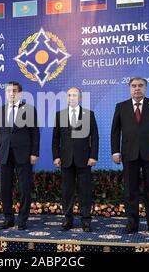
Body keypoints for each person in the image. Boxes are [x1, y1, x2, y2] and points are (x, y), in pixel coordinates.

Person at [111, 77, 149, 235]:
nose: (137, 88)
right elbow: (115, 131)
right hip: (129, 154)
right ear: (130, 88)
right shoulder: (121, 106)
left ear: (146, 88)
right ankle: (132, 225)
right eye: (134, 86)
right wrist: (115, 151)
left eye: (140, 86)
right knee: (130, 191)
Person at [0, 81, 39, 230]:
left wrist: (34, 153)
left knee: (24, 187)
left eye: (14, 91)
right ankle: (8, 218)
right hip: (4, 153)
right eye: (8, 91)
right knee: (4, 187)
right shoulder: (0, 110)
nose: (11, 93)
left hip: (24, 154)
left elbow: (35, 134)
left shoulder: (29, 109)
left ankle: (22, 219)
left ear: (20, 93)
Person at [52, 87, 99, 232]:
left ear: (80, 98)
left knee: (85, 191)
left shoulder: (88, 114)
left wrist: (93, 156)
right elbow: (56, 138)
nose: (71, 97)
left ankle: (86, 221)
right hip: (66, 160)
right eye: (69, 95)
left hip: (84, 160)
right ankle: (68, 220)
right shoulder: (60, 115)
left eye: (74, 95)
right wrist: (56, 156)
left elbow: (95, 138)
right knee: (67, 192)